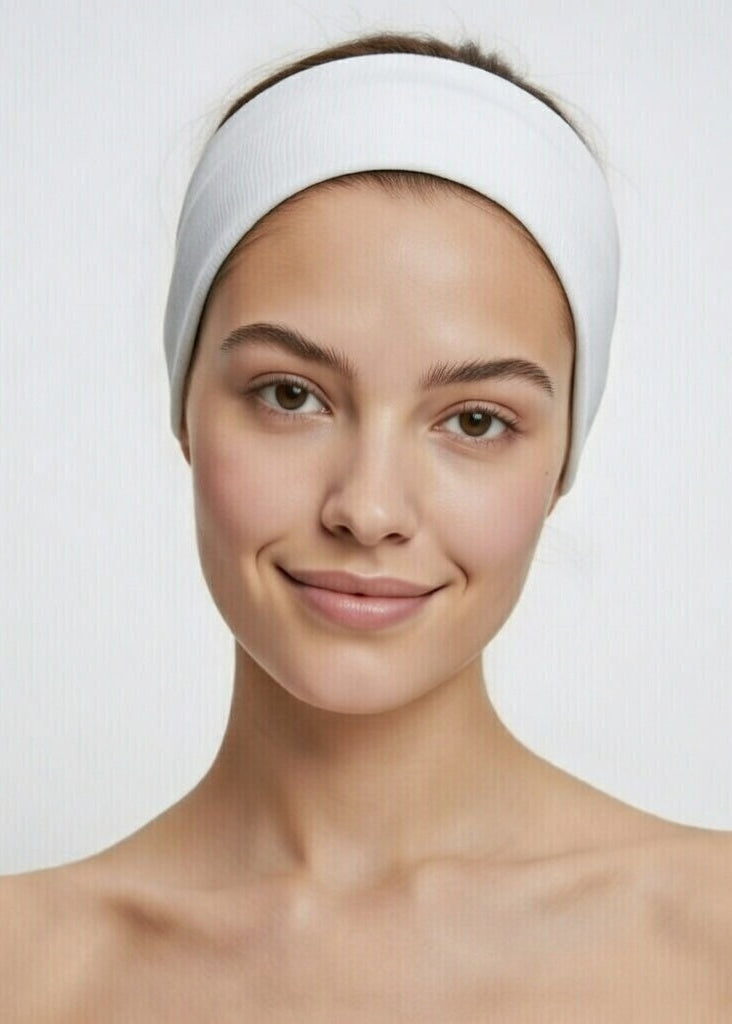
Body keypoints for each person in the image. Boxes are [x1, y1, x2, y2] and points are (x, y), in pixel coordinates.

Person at [2, 29, 731, 1022]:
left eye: (475, 421)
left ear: (562, 459)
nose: (369, 509)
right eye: (291, 394)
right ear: (186, 410)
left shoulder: (711, 938)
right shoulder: (24, 970)